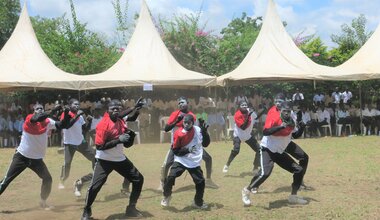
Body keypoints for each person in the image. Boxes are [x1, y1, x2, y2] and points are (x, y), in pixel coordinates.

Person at [81, 99, 144, 220]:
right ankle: (86, 211)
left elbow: (130, 118)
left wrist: (136, 109)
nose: (116, 110)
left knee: (138, 179)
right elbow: (100, 147)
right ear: (107, 111)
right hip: (104, 160)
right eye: (112, 109)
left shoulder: (120, 119)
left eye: (118, 108)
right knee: (95, 187)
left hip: (119, 159)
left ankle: (131, 208)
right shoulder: (103, 125)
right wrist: (118, 140)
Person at [0, 104, 68, 210]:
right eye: (37, 109)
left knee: (48, 179)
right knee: (6, 181)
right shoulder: (29, 119)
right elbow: (37, 118)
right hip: (22, 157)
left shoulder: (47, 122)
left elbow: (62, 125)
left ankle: (43, 202)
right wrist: (52, 111)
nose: (40, 110)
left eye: (41, 108)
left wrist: (66, 112)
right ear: (33, 111)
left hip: (36, 160)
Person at [241, 101, 309, 206]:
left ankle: (293, 196)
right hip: (267, 150)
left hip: (279, 152)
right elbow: (266, 132)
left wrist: (302, 128)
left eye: (288, 111)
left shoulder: (291, 121)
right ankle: (246, 190)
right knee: (265, 173)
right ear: (280, 111)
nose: (286, 113)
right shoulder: (275, 118)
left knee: (299, 170)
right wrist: (281, 126)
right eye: (284, 111)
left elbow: (295, 135)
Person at [158, 97, 218, 190]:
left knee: (208, 158)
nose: (180, 104)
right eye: (179, 103)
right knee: (167, 164)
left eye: (182, 102)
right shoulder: (175, 114)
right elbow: (166, 129)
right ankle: (163, 182)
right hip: (177, 146)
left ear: (187, 103)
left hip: (191, 145)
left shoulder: (192, 116)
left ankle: (208, 180)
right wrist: (177, 121)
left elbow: (196, 131)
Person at [161, 114, 210, 209]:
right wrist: (188, 150)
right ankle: (167, 196)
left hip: (194, 162)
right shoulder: (179, 133)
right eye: (185, 122)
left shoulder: (198, 130)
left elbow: (206, 144)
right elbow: (175, 151)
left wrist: (205, 133)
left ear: (193, 123)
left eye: (189, 123)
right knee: (171, 177)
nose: (186, 124)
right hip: (181, 160)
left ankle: (198, 202)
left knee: (201, 182)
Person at [58, 98, 95, 197]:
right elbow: (67, 125)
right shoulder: (66, 114)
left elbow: (85, 130)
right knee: (67, 164)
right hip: (69, 144)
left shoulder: (80, 117)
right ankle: (62, 181)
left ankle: (95, 176)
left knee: (95, 157)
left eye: (78, 104)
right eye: (75, 104)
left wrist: (89, 121)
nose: (77, 106)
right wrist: (78, 115)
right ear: (70, 105)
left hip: (81, 142)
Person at [222, 100, 264, 176]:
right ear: (239, 107)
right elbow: (243, 127)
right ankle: (227, 165)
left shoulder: (249, 112)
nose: (244, 107)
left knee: (259, 150)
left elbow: (256, 116)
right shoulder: (237, 114)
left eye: (245, 105)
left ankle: (255, 167)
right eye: (242, 105)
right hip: (238, 135)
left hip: (247, 136)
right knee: (236, 150)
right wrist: (248, 116)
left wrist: (263, 111)